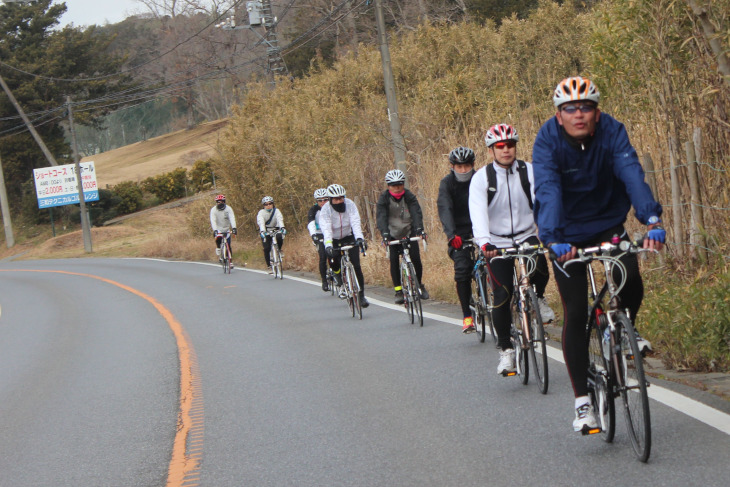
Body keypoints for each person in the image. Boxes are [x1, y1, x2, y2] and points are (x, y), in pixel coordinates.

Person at [532, 76, 665, 433]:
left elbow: (630, 172)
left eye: (586, 107)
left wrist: (651, 218)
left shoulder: (612, 131)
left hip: (608, 223)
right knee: (576, 313)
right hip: (566, 235)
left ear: (597, 111)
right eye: (570, 109)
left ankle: (622, 330)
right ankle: (583, 404)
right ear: (559, 116)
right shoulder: (546, 140)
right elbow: (547, 188)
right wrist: (553, 237)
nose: (579, 115)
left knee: (631, 281)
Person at [469, 123, 555, 376]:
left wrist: (547, 233)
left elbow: (544, 202)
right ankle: (506, 351)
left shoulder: (530, 171)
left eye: (510, 145)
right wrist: (485, 243)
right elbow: (478, 212)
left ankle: (537, 298)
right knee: (502, 295)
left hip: (528, 234)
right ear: (491, 150)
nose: (506, 150)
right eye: (500, 146)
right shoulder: (482, 178)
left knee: (540, 269)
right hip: (497, 242)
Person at [437, 147, 478, 333]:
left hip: (482, 229)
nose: (463, 170)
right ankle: (467, 316)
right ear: (452, 167)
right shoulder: (447, 183)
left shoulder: (480, 179)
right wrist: (451, 235)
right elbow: (445, 208)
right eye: (459, 167)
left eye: (467, 166)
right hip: (459, 233)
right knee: (462, 271)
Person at [376, 169, 429, 304]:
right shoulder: (384, 199)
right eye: (394, 185)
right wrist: (385, 235)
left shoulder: (409, 196)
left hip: (408, 231)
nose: (397, 188)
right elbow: (381, 217)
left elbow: (416, 213)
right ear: (388, 186)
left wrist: (419, 230)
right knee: (394, 260)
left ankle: (419, 284)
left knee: (416, 258)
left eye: (400, 185)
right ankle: (398, 291)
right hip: (392, 234)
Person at [319, 184, 369, 307]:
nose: (339, 201)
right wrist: (328, 245)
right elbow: (326, 229)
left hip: (349, 236)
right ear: (330, 200)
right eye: (336, 199)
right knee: (333, 259)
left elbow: (355, 222)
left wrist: (359, 238)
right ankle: (338, 278)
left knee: (357, 266)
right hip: (334, 239)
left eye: (341, 198)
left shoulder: (350, 204)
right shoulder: (326, 210)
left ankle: (361, 295)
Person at [308, 188, 330, 291]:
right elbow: (311, 223)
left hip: (331, 233)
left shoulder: (332, 208)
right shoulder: (313, 210)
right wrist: (313, 235)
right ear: (316, 201)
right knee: (322, 256)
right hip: (320, 234)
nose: (323, 202)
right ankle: (324, 280)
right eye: (320, 200)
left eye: (325, 199)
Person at [256, 195, 286, 273]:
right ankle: (269, 266)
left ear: (273, 204)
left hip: (275, 229)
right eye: (266, 204)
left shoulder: (277, 211)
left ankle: (279, 249)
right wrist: (262, 231)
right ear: (264, 206)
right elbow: (261, 222)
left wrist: (282, 227)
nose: (268, 206)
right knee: (266, 248)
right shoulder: (261, 213)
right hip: (266, 230)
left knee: (280, 237)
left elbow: (280, 219)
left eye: (270, 204)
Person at [210, 194, 237, 266]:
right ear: (216, 202)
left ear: (224, 202)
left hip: (226, 228)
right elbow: (213, 221)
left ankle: (230, 262)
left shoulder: (228, 209)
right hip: (218, 228)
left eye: (222, 202)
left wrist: (234, 228)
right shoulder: (213, 210)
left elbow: (232, 218)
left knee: (228, 245)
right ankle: (218, 248)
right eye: (218, 202)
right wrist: (215, 230)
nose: (220, 203)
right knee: (218, 238)